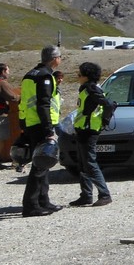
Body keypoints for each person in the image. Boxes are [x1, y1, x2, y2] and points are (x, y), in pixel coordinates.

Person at [19, 45, 65, 218]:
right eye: (60, 57)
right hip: (41, 124)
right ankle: (30, 205)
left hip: (30, 123)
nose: (60, 60)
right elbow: (43, 104)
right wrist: (48, 130)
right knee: (40, 164)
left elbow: (23, 102)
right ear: (54, 59)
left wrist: (22, 123)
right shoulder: (46, 76)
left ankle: (43, 200)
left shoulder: (29, 75)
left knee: (44, 163)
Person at [70, 61, 115, 207]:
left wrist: (104, 122)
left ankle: (105, 194)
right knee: (83, 164)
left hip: (89, 130)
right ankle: (86, 195)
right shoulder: (87, 88)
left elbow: (108, 104)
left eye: (80, 74)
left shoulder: (91, 89)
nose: (78, 76)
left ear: (87, 76)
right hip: (83, 129)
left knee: (90, 163)